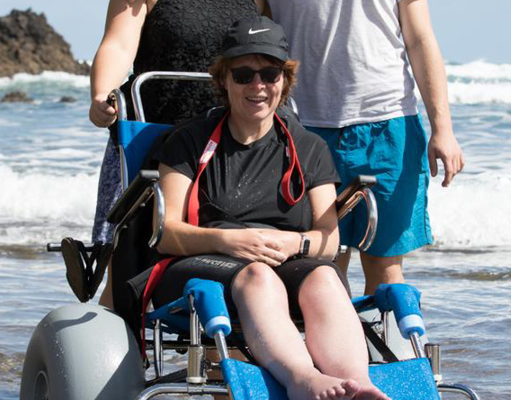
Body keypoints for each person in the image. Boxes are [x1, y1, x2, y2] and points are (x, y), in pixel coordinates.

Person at [144, 16, 390, 400]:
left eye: (270, 74)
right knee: (259, 275)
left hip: (285, 258)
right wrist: (227, 241)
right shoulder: (187, 142)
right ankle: (302, 379)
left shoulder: (308, 147)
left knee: (324, 277)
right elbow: (165, 233)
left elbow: (328, 240)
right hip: (203, 258)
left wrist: (294, 244)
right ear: (224, 80)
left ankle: (356, 386)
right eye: (243, 74)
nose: (258, 86)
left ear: (284, 81)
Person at [267, 0, 465, 294]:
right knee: (319, 268)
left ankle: (384, 340)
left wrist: (443, 129)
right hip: (300, 125)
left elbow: (420, 39)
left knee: (385, 267)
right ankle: (333, 341)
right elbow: (257, 35)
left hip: (387, 124)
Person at [87, 0, 266, 308]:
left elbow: (271, 52)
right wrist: (102, 94)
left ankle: (227, 353)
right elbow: (117, 44)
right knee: (129, 268)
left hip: (233, 139)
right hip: (157, 138)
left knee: (231, 261)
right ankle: (109, 348)